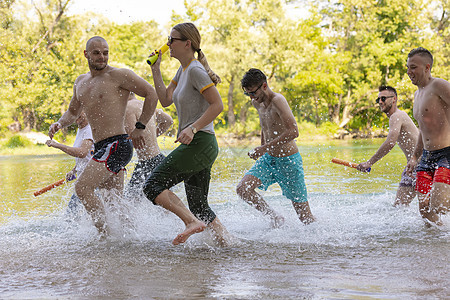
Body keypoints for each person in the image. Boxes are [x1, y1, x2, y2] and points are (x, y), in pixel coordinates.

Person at [48, 36, 159, 235]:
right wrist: (59, 123)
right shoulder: (80, 82)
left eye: (105, 52)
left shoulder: (119, 75)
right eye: (97, 53)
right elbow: (73, 113)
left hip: (117, 144)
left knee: (82, 189)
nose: (102, 57)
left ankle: (104, 237)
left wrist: (140, 127)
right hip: (101, 147)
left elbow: (151, 93)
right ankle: (134, 237)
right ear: (86, 54)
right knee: (112, 200)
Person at [132, 22, 230, 245]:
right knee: (199, 205)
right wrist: (155, 70)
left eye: (171, 40)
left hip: (200, 142)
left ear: (187, 44)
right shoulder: (183, 69)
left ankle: (190, 223)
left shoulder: (195, 70)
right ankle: (228, 245)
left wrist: (193, 128)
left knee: (151, 186)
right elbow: (165, 100)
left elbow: (217, 105)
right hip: (198, 145)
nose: (168, 44)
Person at [236, 68, 315, 227]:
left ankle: (324, 241)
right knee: (243, 189)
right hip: (269, 160)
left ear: (264, 86)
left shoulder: (278, 100)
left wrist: (264, 148)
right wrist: (261, 148)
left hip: (289, 162)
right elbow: (265, 126)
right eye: (248, 94)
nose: (251, 97)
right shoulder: (256, 103)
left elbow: (294, 131)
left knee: (305, 218)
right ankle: (275, 217)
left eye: (253, 93)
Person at [405, 47, 450, 225]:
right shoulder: (417, 94)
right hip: (426, 158)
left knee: (440, 205)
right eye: (407, 68)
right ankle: (435, 249)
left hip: (447, 154)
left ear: (427, 67)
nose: (409, 72)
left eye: (413, 67)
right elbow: (423, 130)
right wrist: (415, 156)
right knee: (426, 212)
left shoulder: (438, 85)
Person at [357, 86, 419, 206]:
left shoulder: (396, 116)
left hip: (423, 166)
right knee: (399, 207)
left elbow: (390, 142)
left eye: (384, 98)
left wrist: (369, 162)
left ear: (394, 99)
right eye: (378, 99)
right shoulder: (397, 116)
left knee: (403, 208)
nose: (380, 102)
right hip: (412, 168)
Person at [124, 92, 173, 195]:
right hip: (159, 160)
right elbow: (168, 120)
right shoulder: (145, 105)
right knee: (164, 205)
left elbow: (132, 136)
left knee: (131, 200)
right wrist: (151, 137)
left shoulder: (128, 108)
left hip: (148, 163)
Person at [46, 111, 94, 213]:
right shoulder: (81, 129)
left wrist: (57, 145)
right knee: (71, 216)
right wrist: (74, 170)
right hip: (82, 179)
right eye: (74, 113)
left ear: (86, 110)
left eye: (79, 112)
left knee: (73, 215)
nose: (76, 115)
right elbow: (88, 157)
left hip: (91, 181)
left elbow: (82, 152)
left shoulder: (89, 129)